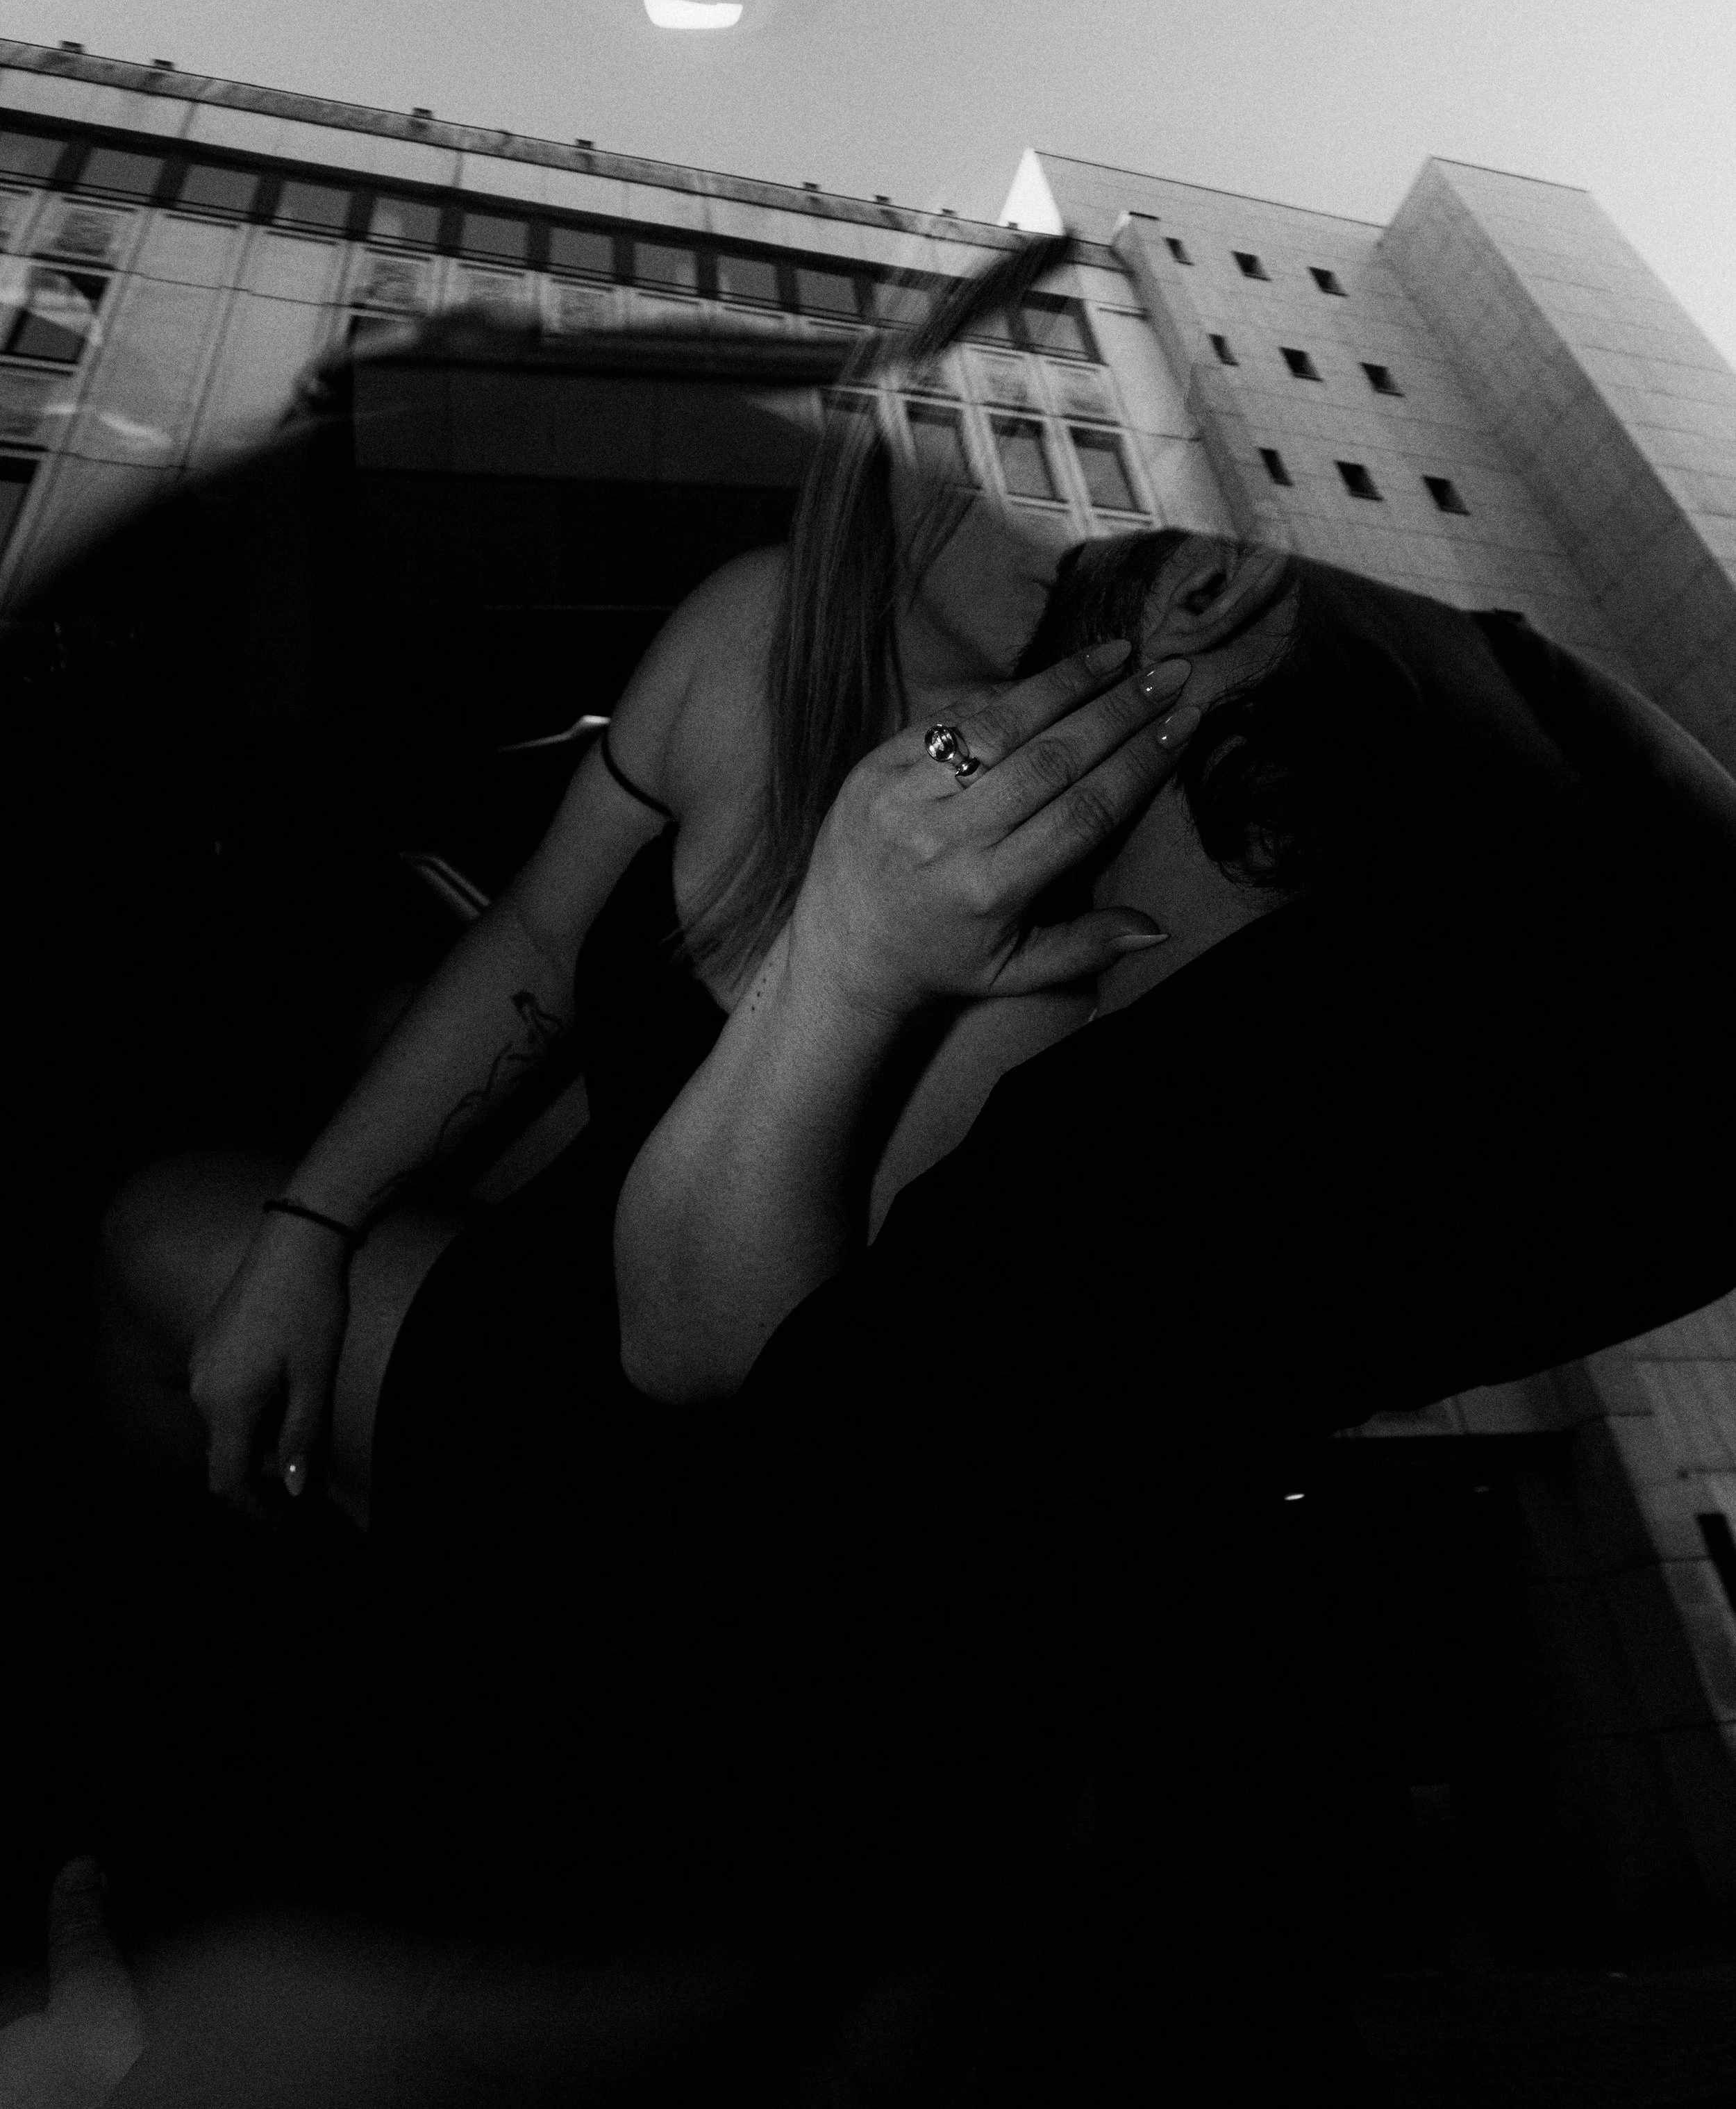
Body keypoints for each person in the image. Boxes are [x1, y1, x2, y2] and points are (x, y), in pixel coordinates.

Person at [84, 237, 1199, 1939]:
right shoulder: (761, 631)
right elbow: (537, 933)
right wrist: (315, 1223)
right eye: (942, 437)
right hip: (547, 1303)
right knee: (177, 1246)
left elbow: (724, 1365)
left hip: (745, 1493)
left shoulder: (1086, 864)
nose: (1008, 510)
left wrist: (861, 948)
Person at [611, 527, 1736, 2099]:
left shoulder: (1192, 1076)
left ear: (1203, 602)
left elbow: (704, 1352)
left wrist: (852, 955)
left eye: (1022, 694)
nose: (999, 772)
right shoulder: (1544, 776)